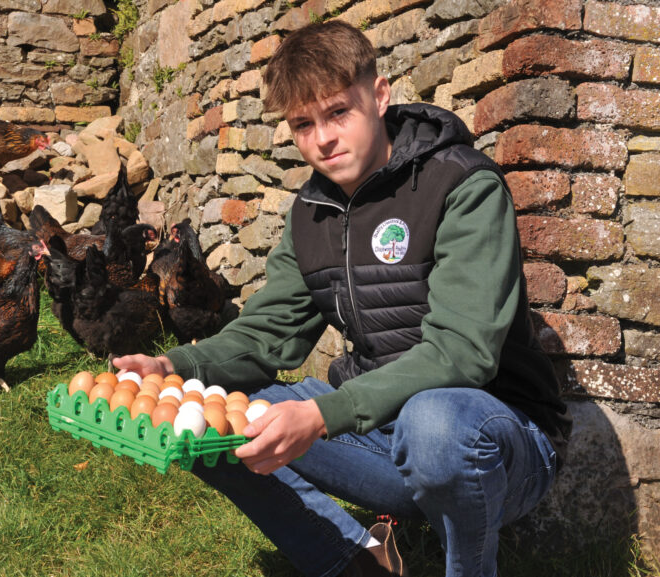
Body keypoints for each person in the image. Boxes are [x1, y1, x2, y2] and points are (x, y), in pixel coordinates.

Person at [113, 20, 572, 577]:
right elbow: (268, 332)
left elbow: (462, 352)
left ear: (379, 96)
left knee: (434, 422)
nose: (323, 139)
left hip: (495, 442)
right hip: (381, 435)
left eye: (337, 113)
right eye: (303, 124)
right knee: (206, 413)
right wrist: (172, 367)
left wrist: (321, 414)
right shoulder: (311, 215)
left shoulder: (462, 186)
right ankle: (356, 562)